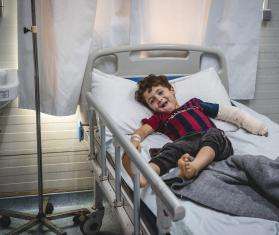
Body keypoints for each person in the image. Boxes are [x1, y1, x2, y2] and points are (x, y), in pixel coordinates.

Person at [122, 74, 268, 187]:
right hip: (187, 145)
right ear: (150, 107)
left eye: (160, 92)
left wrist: (257, 127)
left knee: (214, 134)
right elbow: (142, 131)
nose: (159, 99)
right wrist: (134, 142)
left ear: (171, 89)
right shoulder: (159, 117)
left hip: (214, 142)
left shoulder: (194, 103)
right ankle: (142, 179)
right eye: (152, 100)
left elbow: (230, 113)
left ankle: (194, 167)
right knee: (171, 150)